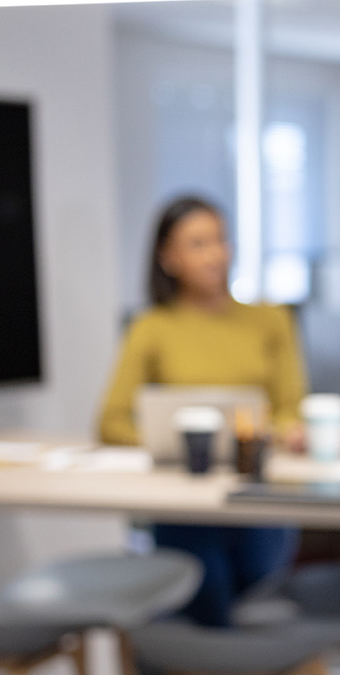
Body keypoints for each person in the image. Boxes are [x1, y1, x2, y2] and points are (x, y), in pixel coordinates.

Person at [97, 195, 307, 626]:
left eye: (220, 240)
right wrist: (173, 440)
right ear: (168, 257)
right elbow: (111, 422)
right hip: (184, 500)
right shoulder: (152, 327)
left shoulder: (271, 320)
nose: (215, 254)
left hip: (258, 493)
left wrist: (281, 431)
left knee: (258, 612)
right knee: (205, 607)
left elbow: (291, 411)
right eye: (198, 244)